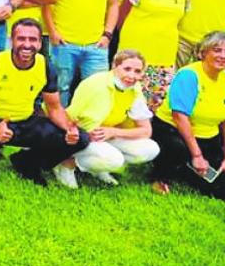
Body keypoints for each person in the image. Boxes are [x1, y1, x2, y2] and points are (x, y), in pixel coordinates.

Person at [0, 19, 87, 186]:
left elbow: (54, 108)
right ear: (12, 41)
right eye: (21, 39)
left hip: (25, 122)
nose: (27, 45)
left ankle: (26, 162)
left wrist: (68, 129)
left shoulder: (45, 66)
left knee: (81, 138)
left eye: (33, 39)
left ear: (39, 43)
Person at [149, 31, 225, 201]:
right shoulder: (189, 75)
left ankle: (184, 168)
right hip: (173, 131)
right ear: (203, 53)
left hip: (208, 136)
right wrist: (197, 156)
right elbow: (180, 116)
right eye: (216, 50)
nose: (222, 56)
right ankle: (161, 175)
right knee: (178, 149)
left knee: (224, 192)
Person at [54, 49, 159, 188]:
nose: (131, 76)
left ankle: (98, 167)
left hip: (108, 134)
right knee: (115, 160)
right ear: (114, 66)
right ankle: (66, 164)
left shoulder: (135, 89)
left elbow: (146, 131)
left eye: (137, 71)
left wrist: (113, 132)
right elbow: (69, 116)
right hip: (83, 136)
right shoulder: (94, 84)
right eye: (127, 69)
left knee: (151, 149)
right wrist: (78, 136)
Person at [116, 0, 189, 110]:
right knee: (127, 101)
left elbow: (181, 16)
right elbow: (122, 15)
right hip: (135, 54)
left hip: (164, 56)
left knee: (156, 104)